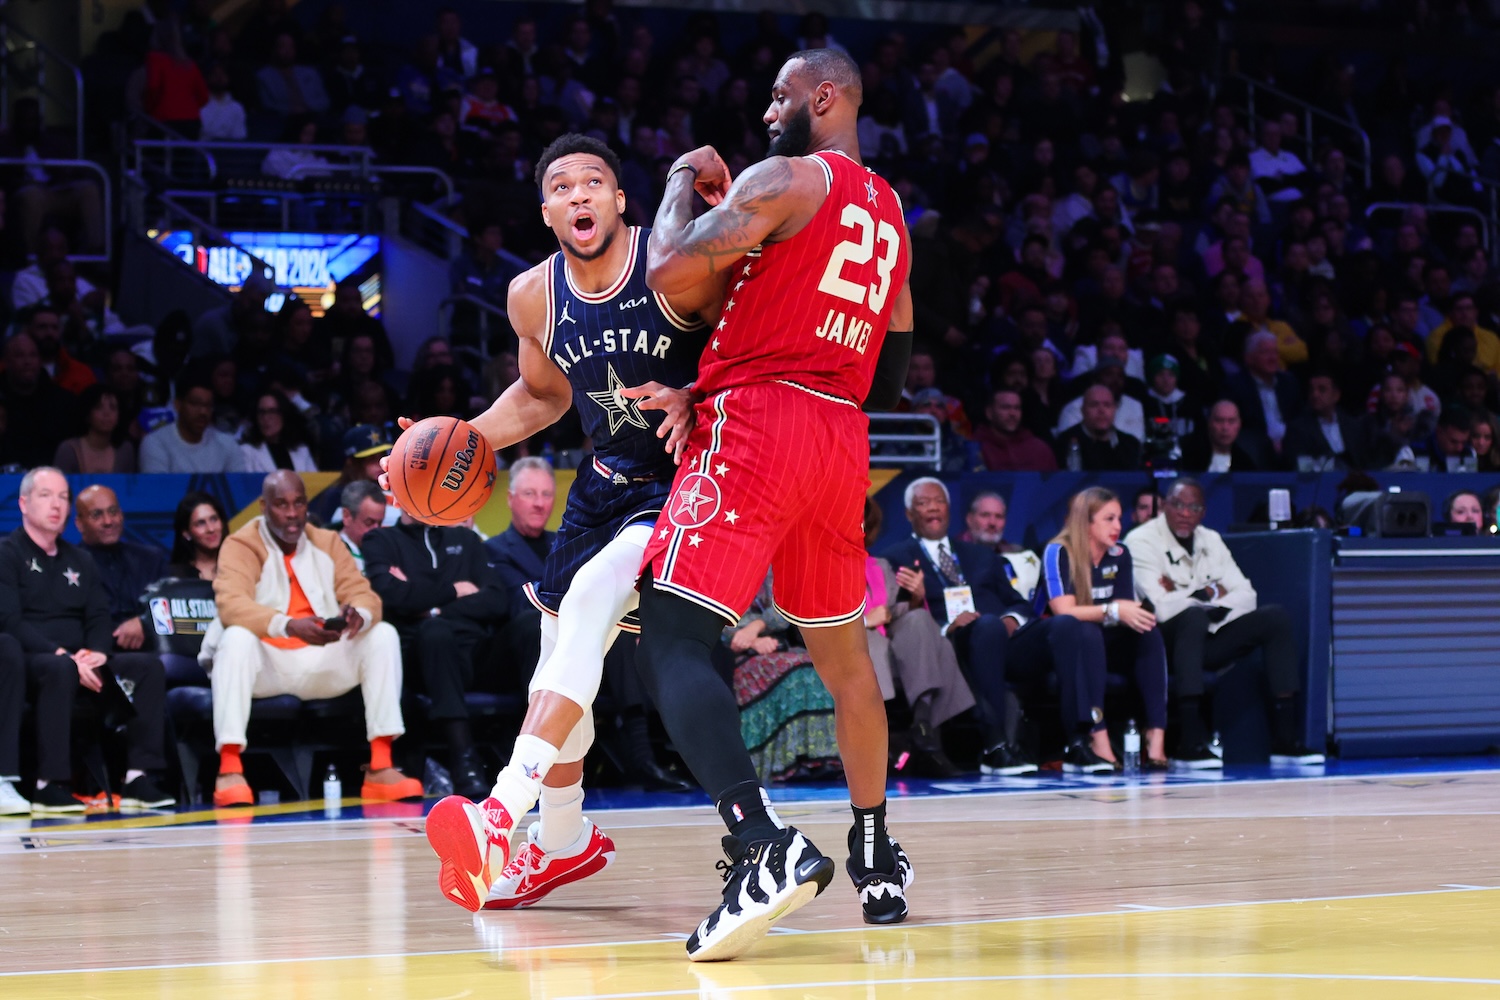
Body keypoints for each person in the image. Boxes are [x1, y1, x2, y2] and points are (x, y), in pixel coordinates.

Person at [630, 49, 923, 953]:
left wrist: (683, 178)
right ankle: (875, 847)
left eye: (779, 94)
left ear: (823, 97)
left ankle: (759, 845)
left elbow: (668, 268)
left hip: (759, 421)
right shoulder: (892, 212)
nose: (765, 110)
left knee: (672, 633)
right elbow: (899, 361)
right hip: (840, 438)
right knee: (845, 662)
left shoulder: (788, 177)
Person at [417, 133, 722, 915]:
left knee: (591, 598)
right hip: (602, 484)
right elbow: (544, 396)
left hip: (686, 478)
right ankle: (560, 841)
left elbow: (747, 343)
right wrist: (462, 437)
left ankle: (496, 816)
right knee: (555, 669)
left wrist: (700, 396)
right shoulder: (533, 295)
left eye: (595, 183)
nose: (579, 195)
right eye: (563, 186)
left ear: (622, 201)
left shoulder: (675, 260)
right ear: (547, 209)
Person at [201, 472, 421, 808]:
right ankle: (230, 769)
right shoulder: (241, 543)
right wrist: (288, 626)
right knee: (235, 638)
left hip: (322, 659)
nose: (292, 513)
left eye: (298, 503)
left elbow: (365, 595)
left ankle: (380, 766)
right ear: (263, 507)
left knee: (382, 634)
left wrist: (356, 616)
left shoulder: (326, 541)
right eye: (281, 504)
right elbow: (232, 605)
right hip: (266, 664)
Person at [0, 468, 174, 813]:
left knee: (147, 667)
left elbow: (98, 616)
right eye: (46, 496)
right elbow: (10, 621)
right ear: (23, 503)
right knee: (59, 668)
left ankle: (138, 777)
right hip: (32, 658)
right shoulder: (7, 553)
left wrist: (96, 653)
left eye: (63, 497)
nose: (56, 505)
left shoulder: (81, 559)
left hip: (81, 657)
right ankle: (49, 784)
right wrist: (63, 654)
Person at [1125, 479, 1325, 767]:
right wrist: (1208, 599)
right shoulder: (1141, 540)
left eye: (1193, 507)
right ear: (1165, 506)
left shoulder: (1211, 539)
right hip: (1162, 643)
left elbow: (1246, 594)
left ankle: (1285, 740)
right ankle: (1189, 743)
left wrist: (1205, 604)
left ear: (1203, 512)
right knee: (1191, 617)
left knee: (1274, 617)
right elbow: (1160, 606)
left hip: (1209, 633)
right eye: (1178, 505)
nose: (1184, 513)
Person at [882, 478, 1038, 776]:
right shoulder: (896, 557)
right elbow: (900, 617)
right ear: (908, 514)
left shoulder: (979, 554)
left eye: (938, 501)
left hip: (998, 635)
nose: (933, 508)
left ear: (949, 509)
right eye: (923, 503)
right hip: (947, 641)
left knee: (1066, 628)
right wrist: (945, 626)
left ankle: (1082, 741)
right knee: (985, 629)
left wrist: (1009, 620)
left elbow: (1017, 603)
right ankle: (996, 745)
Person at [363, 510, 507, 801]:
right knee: (435, 633)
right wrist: (455, 589)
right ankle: (464, 761)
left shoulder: (465, 538)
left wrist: (430, 603)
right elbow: (392, 595)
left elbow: (497, 599)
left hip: (472, 650)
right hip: (422, 657)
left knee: (529, 625)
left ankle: (542, 759)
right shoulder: (381, 540)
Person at [1035, 487, 1169, 772]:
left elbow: (1123, 608)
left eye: (1119, 518)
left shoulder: (1120, 553)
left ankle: (1156, 738)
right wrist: (1113, 611)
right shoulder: (1058, 551)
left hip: (1102, 633)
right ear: (1086, 522)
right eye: (1109, 519)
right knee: (1088, 632)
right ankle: (1099, 738)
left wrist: (1130, 613)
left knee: (1148, 631)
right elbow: (1064, 611)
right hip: (1059, 641)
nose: (1118, 527)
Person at [862, 498, 970, 778]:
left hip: (887, 640)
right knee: (871, 641)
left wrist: (916, 598)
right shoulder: (819, 565)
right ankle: (895, 745)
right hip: (849, 642)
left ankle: (923, 727)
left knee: (921, 620)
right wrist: (863, 622)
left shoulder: (879, 566)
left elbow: (893, 614)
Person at [75, 486, 171, 653]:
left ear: (121, 515)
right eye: (97, 515)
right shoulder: (70, 564)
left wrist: (143, 621)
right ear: (79, 524)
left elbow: (168, 605)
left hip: (150, 650)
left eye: (113, 512)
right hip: (94, 654)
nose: (108, 521)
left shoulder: (151, 559)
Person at [483, 457, 556, 670]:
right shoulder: (493, 550)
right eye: (529, 494)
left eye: (546, 495)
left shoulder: (567, 546)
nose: (539, 504)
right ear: (510, 498)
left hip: (569, 639)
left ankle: (639, 705)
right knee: (533, 622)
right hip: (515, 650)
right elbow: (521, 603)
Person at [139, 371, 246, 473]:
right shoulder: (156, 442)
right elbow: (158, 489)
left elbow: (238, 488)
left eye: (208, 405)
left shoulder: (228, 445)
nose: (203, 412)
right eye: (195, 404)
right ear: (178, 405)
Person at [309, 424, 399, 527]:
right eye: (371, 459)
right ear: (351, 462)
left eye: (381, 456)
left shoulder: (394, 490)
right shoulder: (335, 497)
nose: (379, 464)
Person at [1283, 371, 1371, 471]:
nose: (1315, 395)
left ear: (1336, 395)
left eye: (1322, 390)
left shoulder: (1353, 426)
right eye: (1311, 390)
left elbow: (1364, 462)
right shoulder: (1297, 429)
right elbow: (1297, 465)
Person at [1054, 384, 1143, 471]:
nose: (1101, 411)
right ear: (1083, 410)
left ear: (1114, 410)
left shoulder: (1131, 445)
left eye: (1107, 405)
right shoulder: (1064, 443)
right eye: (1094, 405)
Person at [54, 384, 139, 474]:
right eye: (98, 407)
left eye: (113, 408)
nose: (106, 413)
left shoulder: (125, 450)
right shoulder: (68, 450)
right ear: (87, 414)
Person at [974, 388, 1056, 471]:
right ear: (989, 413)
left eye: (1017, 408)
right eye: (1005, 407)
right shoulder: (974, 449)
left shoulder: (1039, 449)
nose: (1013, 413)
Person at [1182, 400, 1271, 472]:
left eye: (1231, 421)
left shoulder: (1244, 463)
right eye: (1219, 421)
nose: (1225, 427)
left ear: (1239, 425)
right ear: (1209, 423)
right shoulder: (1187, 451)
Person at [239, 390, 317, 473]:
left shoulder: (302, 450)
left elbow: (315, 483)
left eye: (272, 411)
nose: (266, 418)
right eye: (262, 412)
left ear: (284, 414)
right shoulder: (247, 451)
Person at [169, 492, 228, 581]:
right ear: (186, 533)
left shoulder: (240, 566)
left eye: (214, 519)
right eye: (201, 523)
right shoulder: (175, 577)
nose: (211, 529)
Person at [336, 480, 386, 574]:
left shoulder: (387, 550)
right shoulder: (328, 553)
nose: (376, 529)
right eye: (369, 522)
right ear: (346, 516)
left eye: (380, 523)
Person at [960, 490, 1023, 555]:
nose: (992, 523)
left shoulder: (1013, 554)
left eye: (999, 516)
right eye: (985, 515)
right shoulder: (955, 552)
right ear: (969, 519)